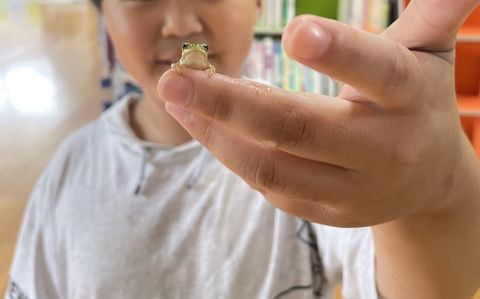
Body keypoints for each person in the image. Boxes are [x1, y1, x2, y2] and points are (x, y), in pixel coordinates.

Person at [6, 0, 480, 298]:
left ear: (257, 4)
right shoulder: (71, 166)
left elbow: (422, 286)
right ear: (102, 15)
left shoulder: (320, 133)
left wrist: (437, 197)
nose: (180, 21)